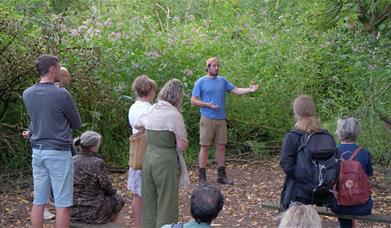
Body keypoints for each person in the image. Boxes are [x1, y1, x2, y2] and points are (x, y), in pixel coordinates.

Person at [22, 54, 82, 228]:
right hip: (58, 152)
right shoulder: (62, 94)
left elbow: (37, 120)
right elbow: (77, 122)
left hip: (37, 152)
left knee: (39, 200)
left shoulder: (27, 93)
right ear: (53, 68)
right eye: (59, 66)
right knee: (63, 203)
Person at [191, 57, 259, 185]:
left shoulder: (222, 81)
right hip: (207, 118)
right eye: (214, 65)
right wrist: (207, 105)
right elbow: (193, 100)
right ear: (208, 67)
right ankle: (202, 178)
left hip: (221, 119)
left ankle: (221, 176)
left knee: (221, 147)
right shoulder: (200, 82)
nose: (217, 68)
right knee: (204, 147)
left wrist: (249, 90)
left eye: (218, 66)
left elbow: (236, 90)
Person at [137, 79, 188, 228]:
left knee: (149, 201)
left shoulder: (152, 109)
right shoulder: (174, 115)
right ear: (178, 96)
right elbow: (182, 145)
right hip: (166, 160)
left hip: (149, 156)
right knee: (167, 202)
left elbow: (138, 124)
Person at [279, 95, 337, 208]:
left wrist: (302, 176)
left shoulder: (292, 136)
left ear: (296, 113)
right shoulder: (325, 134)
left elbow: (285, 163)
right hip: (323, 191)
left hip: (298, 192)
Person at [70, 131, 125, 224]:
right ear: (93, 147)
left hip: (73, 209)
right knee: (119, 198)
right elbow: (108, 188)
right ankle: (111, 224)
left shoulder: (72, 160)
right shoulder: (97, 162)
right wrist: (117, 193)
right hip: (93, 211)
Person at [331, 117, 373, 228]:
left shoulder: (332, 153)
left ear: (339, 131)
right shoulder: (365, 153)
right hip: (363, 206)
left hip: (338, 205)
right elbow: (368, 179)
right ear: (356, 132)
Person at [127, 75, 157, 228]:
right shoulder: (150, 109)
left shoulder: (134, 107)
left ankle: (138, 225)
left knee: (137, 194)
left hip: (136, 152)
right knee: (149, 194)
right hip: (148, 153)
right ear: (149, 90)